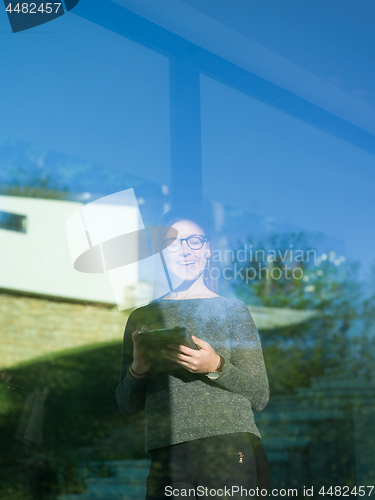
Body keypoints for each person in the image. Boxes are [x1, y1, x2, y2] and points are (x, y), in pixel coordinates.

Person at [116, 207, 270, 499]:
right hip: (166, 456)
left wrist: (215, 365)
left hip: (227, 448)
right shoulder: (142, 316)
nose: (185, 250)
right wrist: (139, 368)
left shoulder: (232, 310)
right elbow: (126, 405)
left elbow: (260, 395)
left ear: (208, 249)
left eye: (194, 241)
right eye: (172, 243)